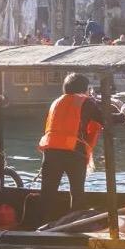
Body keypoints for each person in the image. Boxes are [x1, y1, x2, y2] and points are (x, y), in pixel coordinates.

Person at [38, 73, 120, 222]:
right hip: (73, 152)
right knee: (77, 192)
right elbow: (105, 120)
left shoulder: (56, 102)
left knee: (47, 192)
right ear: (84, 88)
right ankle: (75, 224)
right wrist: (124, 115)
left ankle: (43, 223)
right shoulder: (85, 102)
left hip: (50, 151)